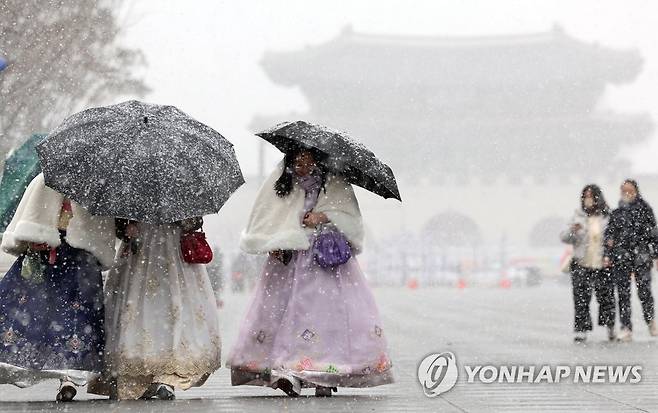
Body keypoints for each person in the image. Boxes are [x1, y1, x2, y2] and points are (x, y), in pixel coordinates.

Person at [227, 147, 394, 397]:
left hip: (323, 260)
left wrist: (324, 216)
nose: (303, 167)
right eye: (298, 162)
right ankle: (287, 370)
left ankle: (321, 374)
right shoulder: (280, 182)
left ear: (318, 161)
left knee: (322, 316)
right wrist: (274, 240)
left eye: (308, 162)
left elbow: (350, 216)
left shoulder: (336, 183)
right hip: (290, 259)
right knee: (283, 313)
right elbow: (267, 217)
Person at [0, 173, 116, 401]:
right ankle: (67, 376)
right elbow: (29, 216)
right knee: (60, 314)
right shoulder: (49, 180)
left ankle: (69, 376)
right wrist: (38, 233)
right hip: (54, 256)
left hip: (75, 259)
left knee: (72, 316)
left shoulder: (90, 184)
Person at [90, 217, 221, 400]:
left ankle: (152, 376)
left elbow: (120, 221)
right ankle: (164, 376)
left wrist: (128, 227)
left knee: (142, 309)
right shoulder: (177, 195)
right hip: (166, 249)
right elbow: (193, 221)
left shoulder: (132, 193)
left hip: (146, 249)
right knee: (172, 308)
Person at [604, 179, 658, 342]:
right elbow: (609, 236)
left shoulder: (645, 210)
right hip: (621, 257)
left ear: (636, 191)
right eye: (624, 191)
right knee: (623, 293)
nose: (627, 194)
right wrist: (607, 254)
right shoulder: (617, 213)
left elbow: (654, 235)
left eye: (630, 190)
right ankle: (626, 327)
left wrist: (656, 255)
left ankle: (651, 321)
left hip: (641, 256)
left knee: (644, 291)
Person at [561, 185, 615, 342]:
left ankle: (610, 327)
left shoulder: (608, 217)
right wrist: (573, 230)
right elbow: (564, 237)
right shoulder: (577, 216)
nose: (588, 199)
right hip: (581, 262)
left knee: (606, 298)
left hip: (602, 263)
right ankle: (581, 329)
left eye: (591, 196)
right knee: (581, 298)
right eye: (585, 196)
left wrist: (611, 250)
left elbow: (614, 237)